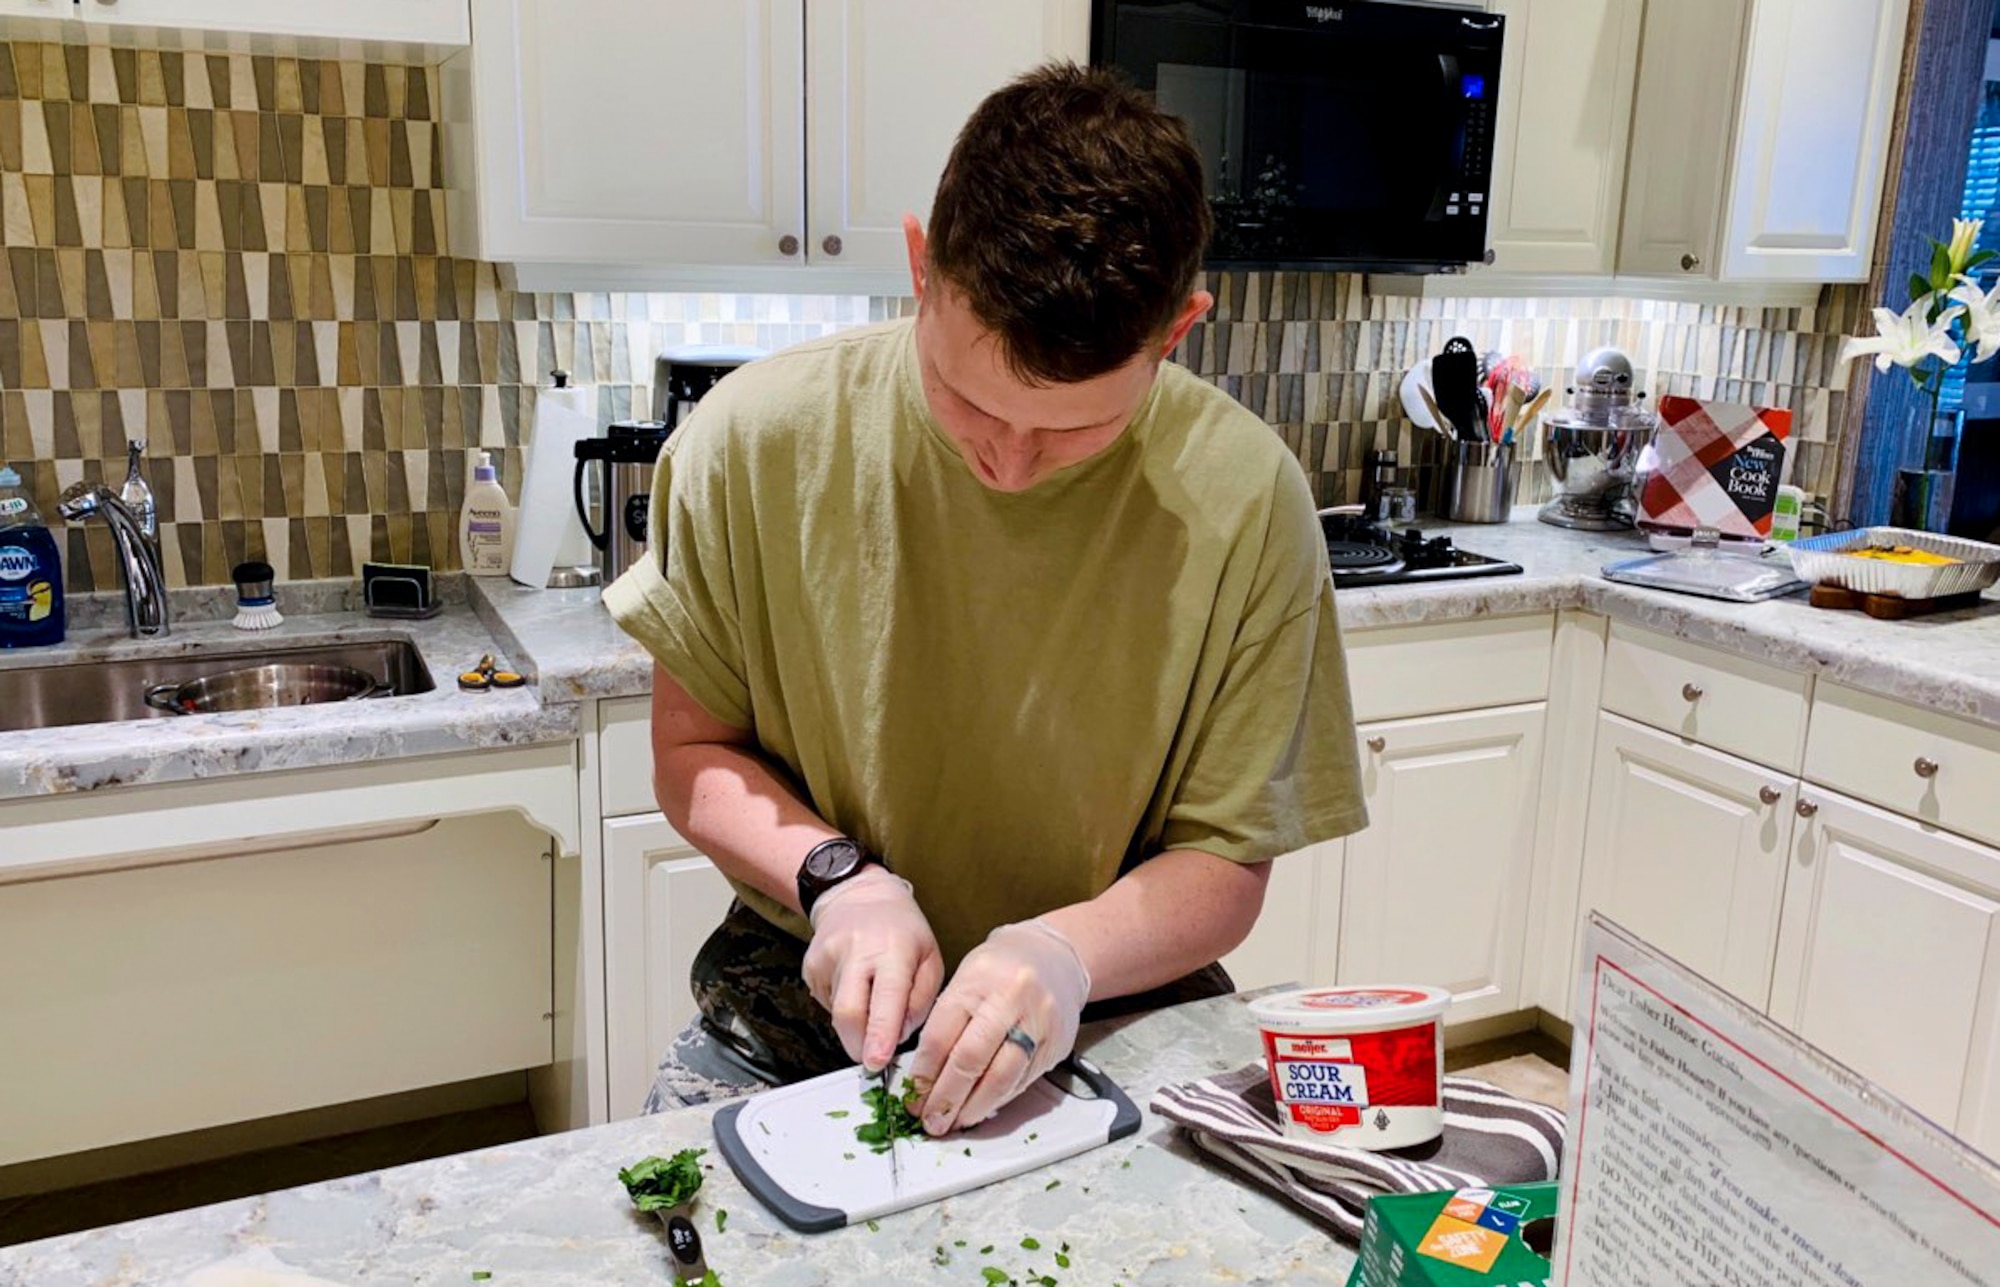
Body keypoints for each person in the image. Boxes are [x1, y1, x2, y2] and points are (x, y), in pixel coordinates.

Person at [604, 62, 1365, 1135]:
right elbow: (692, 755)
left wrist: (1059, 953)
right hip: (797, 1007)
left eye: (1071, 430)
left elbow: (1227, 858)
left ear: (1178, 331)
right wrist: (837, 881)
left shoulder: (1247, 497)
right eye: (966, 401)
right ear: (920, 265)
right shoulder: (749, 443)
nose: (1007, 464)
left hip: (1118, 1001)